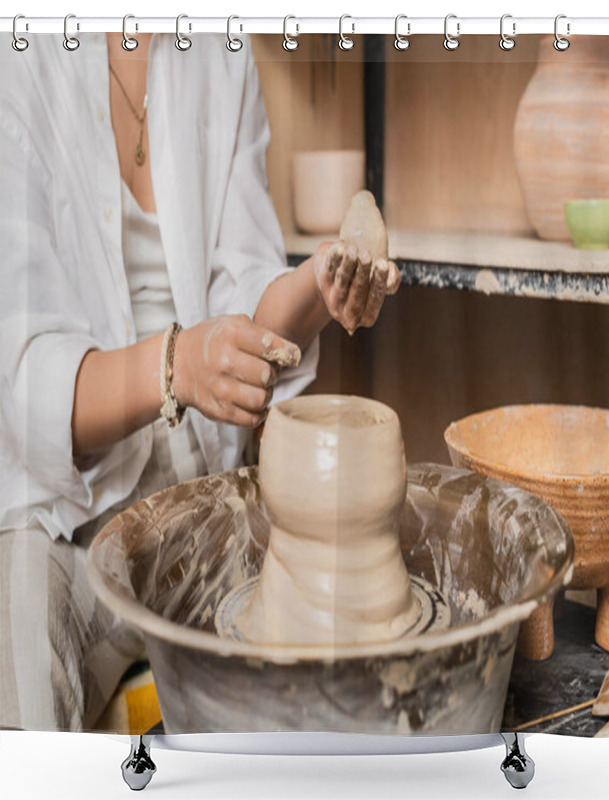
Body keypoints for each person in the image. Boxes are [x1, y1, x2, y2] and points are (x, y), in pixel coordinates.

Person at [0, 32, 399, 732]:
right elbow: (26, 385)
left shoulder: (217, 48)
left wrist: (317, 285)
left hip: (197, 483)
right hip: (59, 502)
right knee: (23, 620)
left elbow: (247, 300)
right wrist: (176, 366)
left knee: (325, 654)